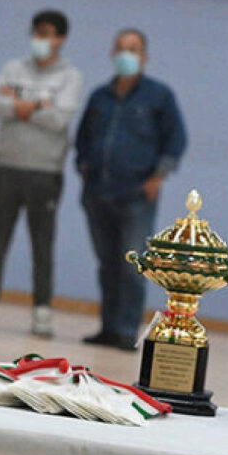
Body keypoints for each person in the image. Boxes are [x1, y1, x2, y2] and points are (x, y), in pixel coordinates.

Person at [75, 28, 187, 351]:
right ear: (113, 54)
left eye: (133, 49)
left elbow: (175, 139)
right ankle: (108, 328)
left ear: (144, 57)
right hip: (97, 192)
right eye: (121, 48)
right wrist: (84, 168)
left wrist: (158, 177)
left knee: (132, 265)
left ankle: (126, 330)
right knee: (107, 263)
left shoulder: (159, 96)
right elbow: (83, 138)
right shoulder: (100, 96)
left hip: (137, 195)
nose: (127, 55)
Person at [0, 9, 83, 337]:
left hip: (44, 173)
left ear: (61, 39)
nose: (41, 39)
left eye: (48, 34)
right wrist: (41, 104)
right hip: (6, 168)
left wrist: (20, 104)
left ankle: (42, 311)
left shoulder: (70, 76)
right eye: (37, 33)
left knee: (42, 245)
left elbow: (60, 118)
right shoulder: (13, 68)